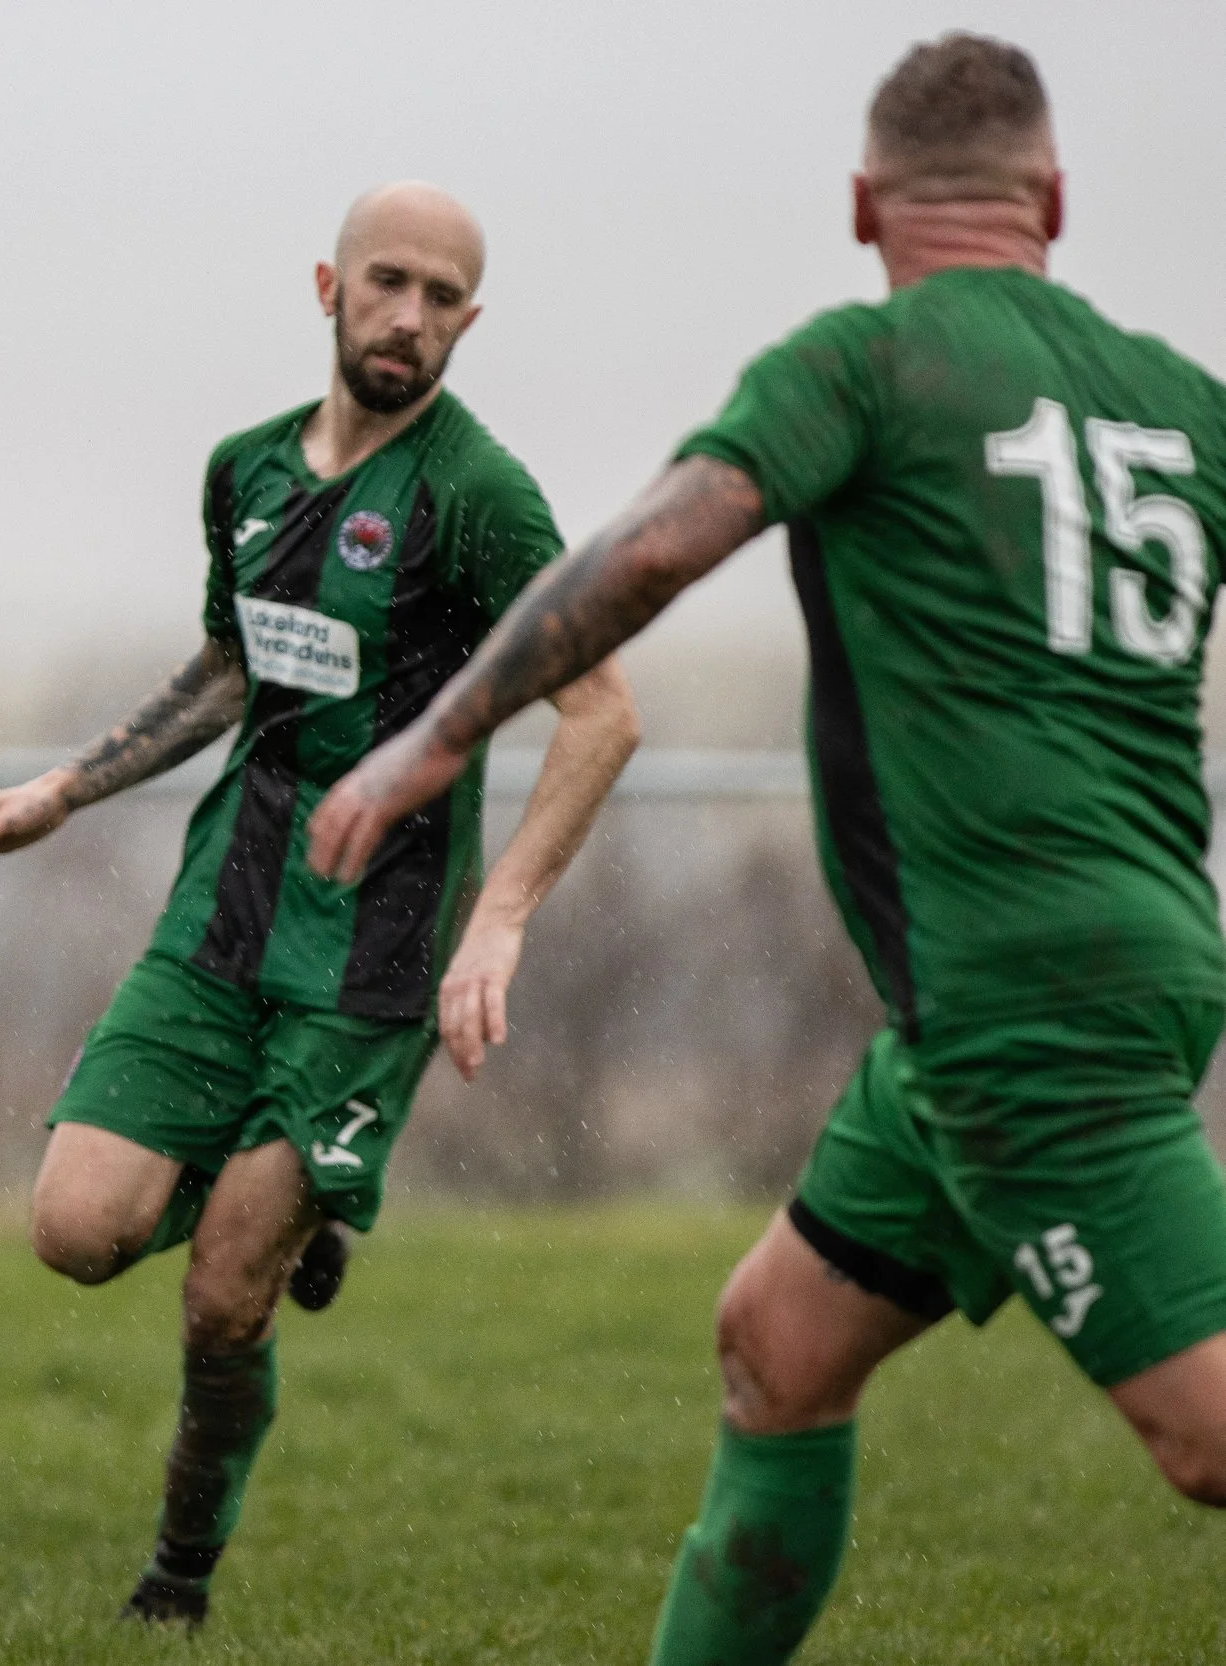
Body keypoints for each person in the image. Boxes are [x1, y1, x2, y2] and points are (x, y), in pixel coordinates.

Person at [304, 35, 1226, 1664]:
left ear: (866, 205)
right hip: (1085, 970)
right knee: (777, 1347)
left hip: (1023, 1006)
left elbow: (658, 544)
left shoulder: (860, 364)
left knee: (1207, 1433)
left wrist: (436, 737)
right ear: (1058, 202)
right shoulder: (1181, 401)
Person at [0, 182, 640, 1628]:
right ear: (328, 286)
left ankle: (176, 1581)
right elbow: (233, 668)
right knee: (75, 1229)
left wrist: (500, 921)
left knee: (223, 1289)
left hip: (375, 949)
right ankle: (291, 1193)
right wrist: (62, 789)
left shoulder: (477, 498)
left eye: (443, 298)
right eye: (388, 283)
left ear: (469, 322)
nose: (410, 317)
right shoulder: (245, 470)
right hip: (224, 910)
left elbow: (604, 712)